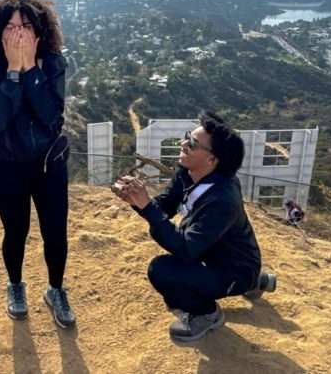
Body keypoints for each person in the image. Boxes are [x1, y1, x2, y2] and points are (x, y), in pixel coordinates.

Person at [112, 110, 275, 342]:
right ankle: (255, 282)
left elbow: (185, 249)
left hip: (234, 266)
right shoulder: (188, 173)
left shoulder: (222, 199)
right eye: (187, 136)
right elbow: (166, 205)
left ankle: (207, 314)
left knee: (162, 271)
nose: (183, 144)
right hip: (215, 251)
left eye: (192, 143)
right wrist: (136, 200)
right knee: (189, 268)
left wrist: (147, 206)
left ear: (212, 159)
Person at [0, 0, 75, 328]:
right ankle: (15, 285)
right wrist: (13, 72)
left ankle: (56, 289)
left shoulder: (53, 61)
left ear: (40, 30)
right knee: (16, 231)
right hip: (5, 165)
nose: (19, 34)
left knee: (55, 232)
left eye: (26, 26)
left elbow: (50, 114)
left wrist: (30, 69)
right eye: (11, 27)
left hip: (48, 164)